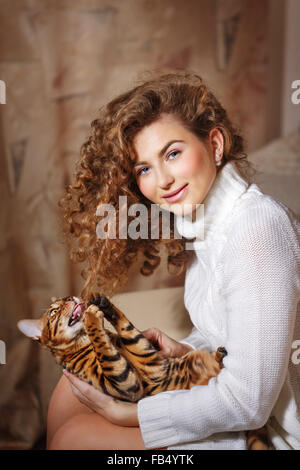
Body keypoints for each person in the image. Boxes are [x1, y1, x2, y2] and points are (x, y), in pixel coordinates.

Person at [47, 71, 300, 450]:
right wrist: (185, 349)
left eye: (173, 153)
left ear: (214, 143)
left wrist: (128, 416)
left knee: (74, 440)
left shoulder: (256, 231)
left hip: (276, 430)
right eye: (144, 168)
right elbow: (232, 336)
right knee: (69, 388)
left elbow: (251, 402)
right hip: (240, 399)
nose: (162, 180)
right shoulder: (204, 228)